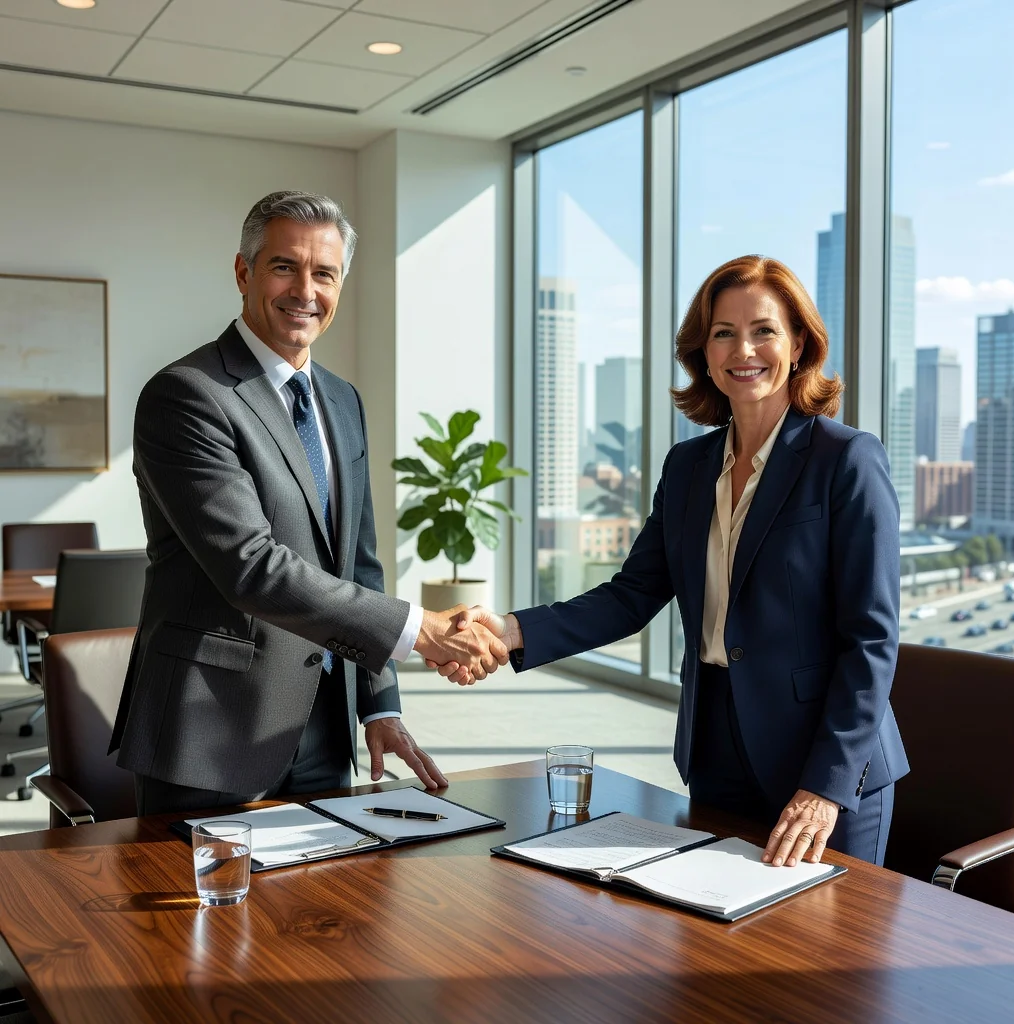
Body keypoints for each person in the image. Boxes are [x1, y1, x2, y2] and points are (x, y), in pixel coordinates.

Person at [434, 255, 909, 867]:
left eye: (764, 330)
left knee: (825, 959)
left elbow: (871, 640)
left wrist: (825, 787)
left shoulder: (846, 460)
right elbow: (631, 595)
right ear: (704, 354)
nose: (745, 349)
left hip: (824, 768)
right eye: (724, 332)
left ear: (798, 344)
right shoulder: (687, 468)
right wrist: (510, 631)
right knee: (714, 946)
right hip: (715, 749)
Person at [110, 191, 507, 816]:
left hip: (325, 728)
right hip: (213, 729)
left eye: (324, 273)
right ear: (244, 273)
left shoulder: (341, 399)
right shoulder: (188, 395)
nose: (305, 290)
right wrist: (418, 629)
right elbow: (251, 566)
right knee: (201, 914)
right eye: (283, 267)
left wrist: (379, 703)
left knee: (326, 911)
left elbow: (359, 562)